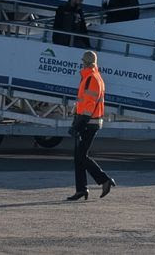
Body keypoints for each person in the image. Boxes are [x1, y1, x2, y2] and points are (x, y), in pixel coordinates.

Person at [67, 50, 115, 201]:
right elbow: (84, 102)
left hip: (89, 122)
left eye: (83, 61)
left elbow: (89, 105)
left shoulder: (91, 78)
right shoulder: (92, 77)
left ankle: (104, 180)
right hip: (87, 121)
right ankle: (81, 189)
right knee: (79, 156)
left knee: (81, 155)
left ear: (86, 62)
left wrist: (79, 124)